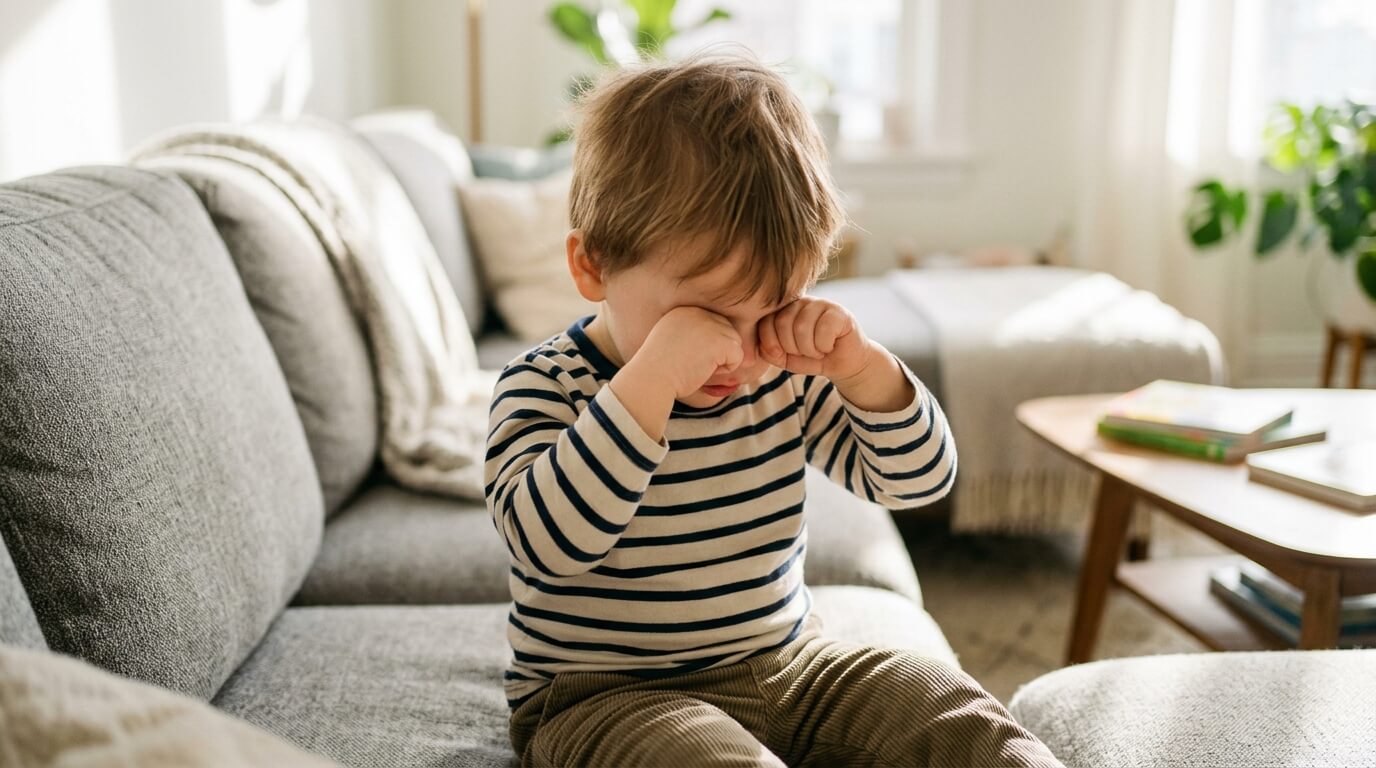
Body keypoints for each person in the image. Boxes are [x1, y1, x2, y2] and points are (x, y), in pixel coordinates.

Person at [485, 52, 1063, 768]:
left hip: (788, 666)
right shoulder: (542, 386)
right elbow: (550, 545)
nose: (739, 350)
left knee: (950, 709)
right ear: (592, 266)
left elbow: (917, 482)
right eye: (705, 315)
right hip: (607, 698)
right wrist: (653, 377)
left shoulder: (776, 371)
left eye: (774, 308)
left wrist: (863, 370)